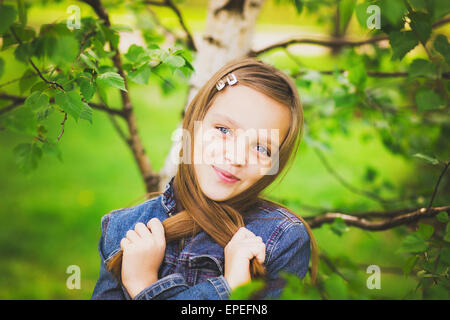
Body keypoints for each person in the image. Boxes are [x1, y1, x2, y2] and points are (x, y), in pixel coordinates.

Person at [91, 57, 318, 300]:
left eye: (261, 148)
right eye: (223, 130)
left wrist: (143, 284)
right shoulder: (124, 230)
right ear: (194, 122)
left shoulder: (282, 241)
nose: (236, 157)